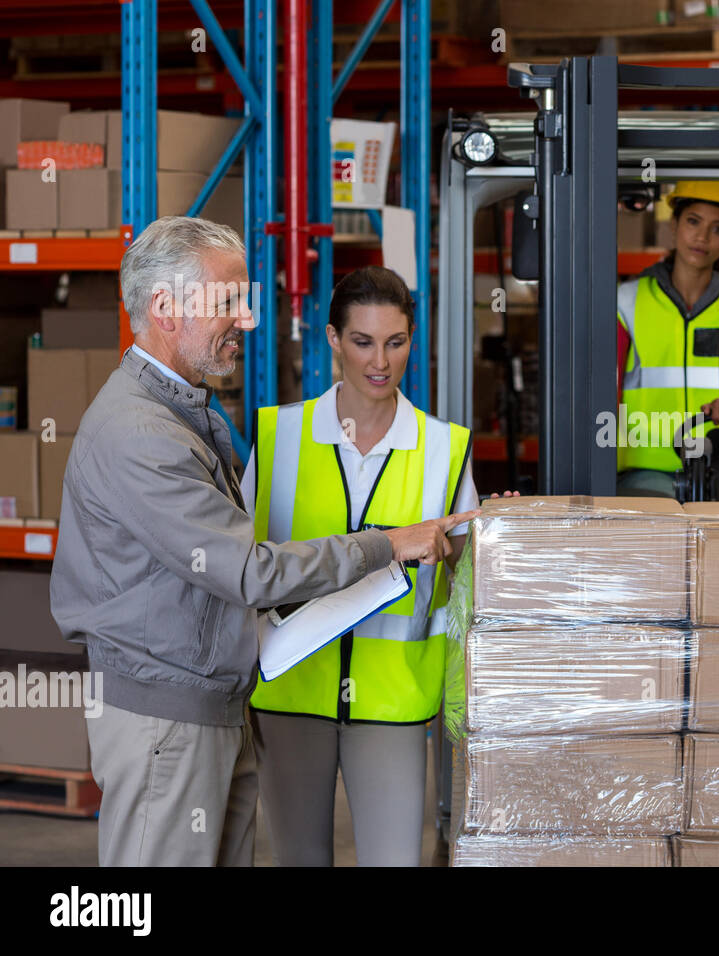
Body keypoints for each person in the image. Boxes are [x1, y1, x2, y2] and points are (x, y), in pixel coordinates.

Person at [49, 217, 474, 866]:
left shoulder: (185, 415)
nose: (246, 321)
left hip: (226, 706)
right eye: (227, 303)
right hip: (179, 713)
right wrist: (385, 545)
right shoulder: (145, 433)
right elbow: (246, 572)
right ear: (165, 307)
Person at [239, 266, 496, 866]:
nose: (380, 361)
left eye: (396, 342)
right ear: (332, 339)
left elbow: (465, 571)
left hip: (393, 700)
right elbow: (242, 565)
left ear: (412, 339)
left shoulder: (444, 447)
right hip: (290, 689)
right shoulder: (279, 437)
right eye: (362, 342)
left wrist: (482, 539)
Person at [616, 180, 719, 501]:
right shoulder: (626, 301)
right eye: (693, 222)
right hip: (648, 463)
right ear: (673, 225)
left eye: (718, 229)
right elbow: (608, 379)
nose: (702, 237)